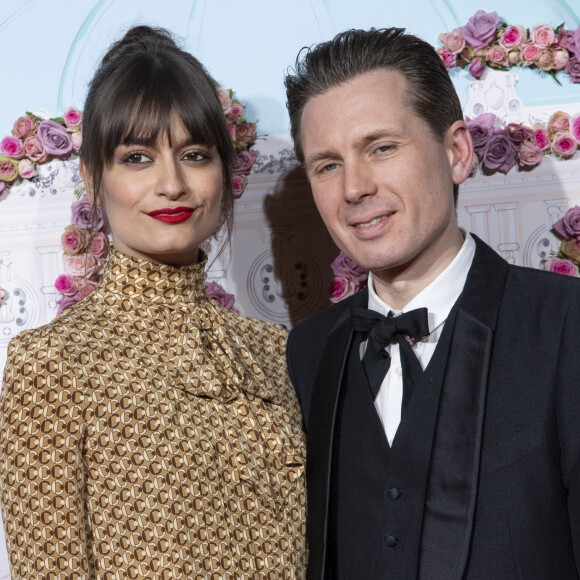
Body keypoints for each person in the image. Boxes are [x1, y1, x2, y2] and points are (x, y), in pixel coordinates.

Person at [0, 26, 307, 579]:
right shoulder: (51, 366)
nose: (172, 184)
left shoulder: (273, 352)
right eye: (137, 157)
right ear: (94, 179)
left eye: (194, 154)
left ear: (223, 174)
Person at [284, 27, 580, 580]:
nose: (353, 188)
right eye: (327, 165)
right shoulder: (306, 353)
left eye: (381, 148)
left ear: (457, 153)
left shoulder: (566, 325)